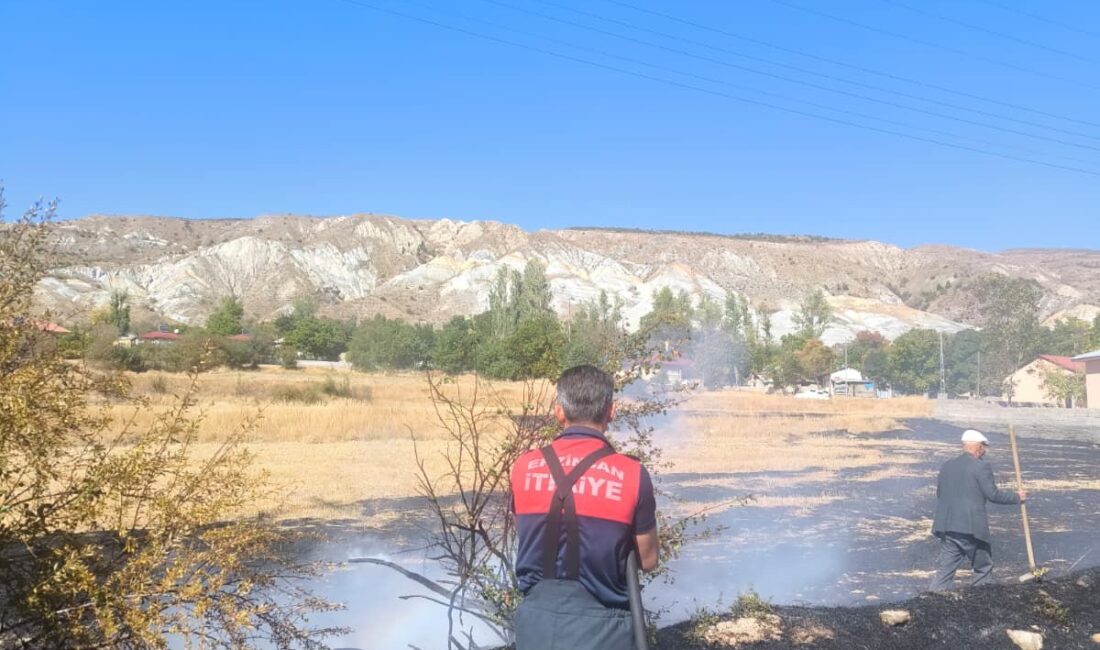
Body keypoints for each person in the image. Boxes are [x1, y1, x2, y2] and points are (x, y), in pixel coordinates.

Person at [510, 365, 659, 650]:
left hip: (535, 628)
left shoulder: (523, 467)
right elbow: (649, 560)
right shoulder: (631, 474)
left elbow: (528, 535)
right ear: (611, 412)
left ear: (559, 412)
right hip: (603, 631)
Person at [929, 428, 1026, 591]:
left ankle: (931, 599)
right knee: (983, 567)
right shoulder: (981, 467)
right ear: (977, 447)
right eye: (983, 446)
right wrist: (1017, 497)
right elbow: (993, 495)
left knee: (945, 571)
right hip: (971, 529)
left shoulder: (947, 466)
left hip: (947, 527)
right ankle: (981, 602)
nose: (985, 451)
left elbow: (940, 494)